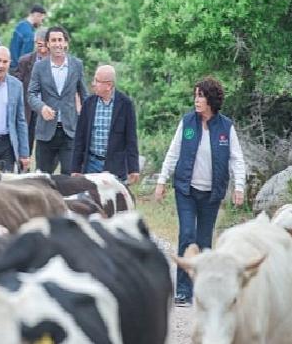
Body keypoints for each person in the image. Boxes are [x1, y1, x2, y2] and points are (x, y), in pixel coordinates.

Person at [154, 77, 246, 307]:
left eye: (201, 96)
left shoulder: (226, 127)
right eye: (195, 95)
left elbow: (237, 159)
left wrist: (239, 187)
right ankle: (183, 291)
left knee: (204, 241)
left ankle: (201, 291)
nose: (196, 100)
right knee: (187, 235)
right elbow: (173, 153)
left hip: (212, 193)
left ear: (211, 99)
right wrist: (162, 180)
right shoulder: (187, 122)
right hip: (186, 189)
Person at [28, 26, 88, 175]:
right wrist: (41, 107)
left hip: (70, 131)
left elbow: (84, 95)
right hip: (46, 131)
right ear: (47, 44)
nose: (57, 44)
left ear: (66, 43)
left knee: (70, 175)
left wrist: (84, 121)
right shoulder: (39, 67)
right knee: (42, 176)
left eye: (60, 40)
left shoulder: (76, 65)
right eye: (53, 40)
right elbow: (31, 94)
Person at [70, 65, 140, 183]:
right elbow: (80, 138)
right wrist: (75, 168)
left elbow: (131, 139)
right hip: (91, 164)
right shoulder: (89, 103)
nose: (93, 84)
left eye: (97, 81)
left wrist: (134, 168)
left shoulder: (125, 104)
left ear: (108, 85)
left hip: (115, 167)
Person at [13, 27, 48, 157]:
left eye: (45, 46)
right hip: (28, 109)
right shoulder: (25, 61)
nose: (43, 50)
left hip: (46, 108)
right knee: (26, 143)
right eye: (39, 45)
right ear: (35, 44)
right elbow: (17, 84)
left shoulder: (55, 63)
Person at [9, 4, 46, 70]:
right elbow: (26, 59)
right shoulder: (29, 34)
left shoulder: (20, 26)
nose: (41, 23)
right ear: (36, 15)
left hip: (11, 66)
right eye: (41, 20)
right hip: (19, 71)